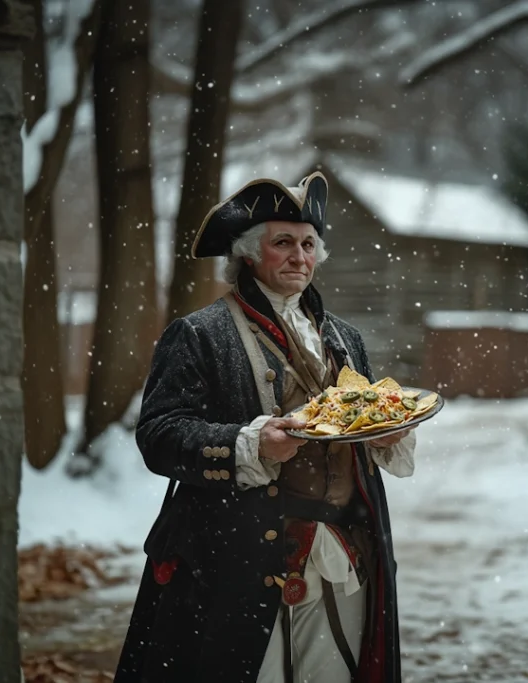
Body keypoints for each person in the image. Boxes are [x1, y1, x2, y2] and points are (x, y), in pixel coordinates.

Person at [113, 172, 416, 683]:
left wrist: (386, 434)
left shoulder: (346, 339)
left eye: (308, 244)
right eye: (283, 243)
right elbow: (160, 437)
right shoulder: (196, 335)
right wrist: (248, 444)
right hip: (233, 562)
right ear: (248, 254)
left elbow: (360, 419)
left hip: (343, 556)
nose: (300, 256)